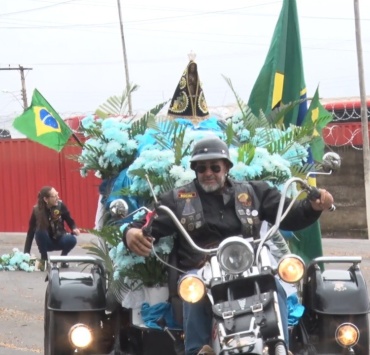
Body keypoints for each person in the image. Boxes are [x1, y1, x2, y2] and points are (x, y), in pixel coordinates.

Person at [123, 136, 334, 355]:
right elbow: (148, 221)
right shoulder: (178, 199)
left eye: (215, 167)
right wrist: (132, 232)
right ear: (194, 169)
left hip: (250, 267)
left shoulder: (254, 192)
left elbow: (291, 214)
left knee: (274, 285)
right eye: (201, 168)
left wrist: (313, 206)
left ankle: (281, 346)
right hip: (202, 268)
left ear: (227, 167)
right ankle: (197, 350)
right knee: (193, 290)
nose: (208, 173)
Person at [24, 186, 80, 269]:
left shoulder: (60, 206)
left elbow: (69, 219)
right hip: (46, 242)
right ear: (46, 199)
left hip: (59, 238)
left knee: (72, 239)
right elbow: (30, 233)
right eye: (54, 196)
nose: (58, 197)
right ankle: (44, 259)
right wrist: (26, 253)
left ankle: (63, 259)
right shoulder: (37, 210)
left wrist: (74, 228)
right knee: (39, 231)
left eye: (57, 194)